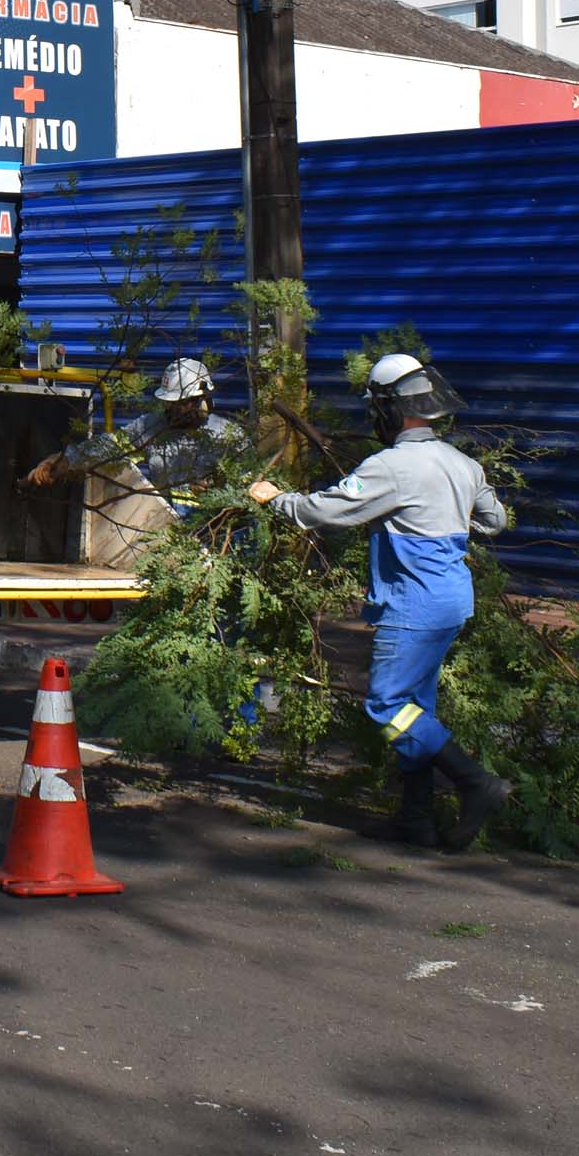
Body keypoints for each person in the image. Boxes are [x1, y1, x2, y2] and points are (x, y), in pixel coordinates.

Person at [247, 353, 512, 851]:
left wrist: (275, 499)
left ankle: (475, 782)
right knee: (416, 708)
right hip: (452, 601)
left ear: (390, 409)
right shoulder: (464, 464)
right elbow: (494, 521)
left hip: (413, 605)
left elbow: (323, 512)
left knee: (388, 704)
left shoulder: (391, 467)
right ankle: (416, 820)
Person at [27, 357, 247, 505]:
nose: (178, 409)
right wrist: (64, 460)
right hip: (165, 527)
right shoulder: (152, 427)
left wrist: (218, 494)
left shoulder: (227, 436)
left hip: (212, 533)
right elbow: (109, 447)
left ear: (203, 399)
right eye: (173, 403)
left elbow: (249, 489)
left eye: (184, 402)